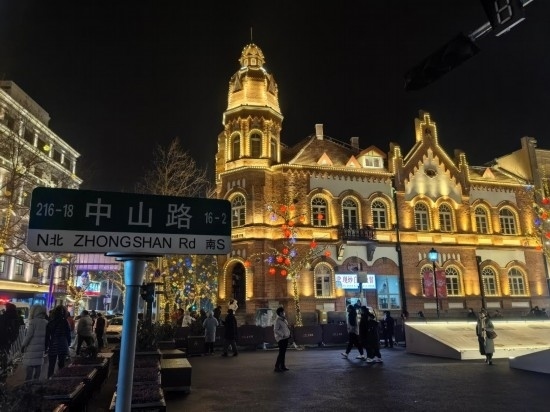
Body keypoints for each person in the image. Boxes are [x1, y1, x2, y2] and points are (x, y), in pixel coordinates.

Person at [21, 304, 49, 381]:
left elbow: (28, 336)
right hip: (41, 347)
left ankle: (28, 383)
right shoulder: (46, 322)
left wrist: (23, 345)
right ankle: (36, 382)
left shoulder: (33, 322)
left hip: (32, 347)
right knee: (38, 365)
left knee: (30, 365)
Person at [45, 305, 72, 378]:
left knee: (51, 365)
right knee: (61, 365)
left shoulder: (51, 322)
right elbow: (68, 333)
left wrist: (46, 346)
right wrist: (68, 343)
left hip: (53, 344)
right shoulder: (65, 322)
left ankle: (49, 380)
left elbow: (47, 336)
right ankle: (60, 380)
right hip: (63, 344)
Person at [273, 307, 291, 372]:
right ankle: (277, 366)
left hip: (285, 338)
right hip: (281, 339)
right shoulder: (277, 320)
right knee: (281, 353)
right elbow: (275, 330)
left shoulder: (284, 319)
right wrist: (282, 335)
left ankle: (282, 366)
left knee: (283, 353)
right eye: (283, 312)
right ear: (281, 313)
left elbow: (286, 328)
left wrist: (288, 334)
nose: (284, 313)